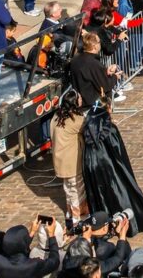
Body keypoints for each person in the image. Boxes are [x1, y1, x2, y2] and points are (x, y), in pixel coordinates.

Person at [50, 89, 87, 224]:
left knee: (67, 188)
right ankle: (77, 217)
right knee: (77, 190)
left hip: (60, 160)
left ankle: (69, 211)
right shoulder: (77, 120)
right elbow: (86, 129)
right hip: (72, 162)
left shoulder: (56, 117)